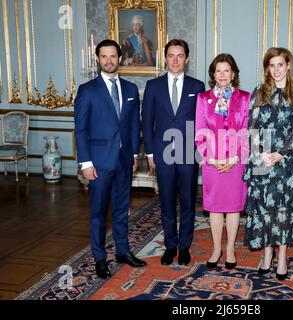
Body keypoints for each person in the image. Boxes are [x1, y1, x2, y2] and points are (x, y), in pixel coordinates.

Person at [74, 39, 146, 279]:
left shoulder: (130, 89)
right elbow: (81, 129)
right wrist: (85, 163)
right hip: (98, 164)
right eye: (104, 56)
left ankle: (123, 252)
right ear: (98, 59)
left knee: (121, 210)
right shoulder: (87, 90)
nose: (108, 60)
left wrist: (135, 154)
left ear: (120, 58)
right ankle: (100, 258)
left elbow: (135, 124)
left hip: (125, 161)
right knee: (98, 213)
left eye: (113, 56)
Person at [142, 39, 205, 266]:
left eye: (180, 56)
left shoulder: (197, 87)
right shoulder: (153, 86)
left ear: (187, 60)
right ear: (165, 58)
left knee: (188, 201)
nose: (175, 60)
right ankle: (170, 246)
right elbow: (147, 122)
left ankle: (184, 246)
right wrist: (150, 153)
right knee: (167, 201)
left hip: (189, 153)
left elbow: (202, 122)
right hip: (163, 152)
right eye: (171, 55)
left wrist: (200, 151)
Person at [244, 47, 293, 280]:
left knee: (282, 211)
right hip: (261, 159)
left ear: (288, 65)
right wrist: (262, 153)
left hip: (287, 161)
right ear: (267, 68)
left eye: (280, 64)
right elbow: (252, 126)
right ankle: (267, 255)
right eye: (272, 65)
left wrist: (279, 153)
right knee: (263, 210)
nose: (276, 70)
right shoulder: (259, 92)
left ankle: (282, 257)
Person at [195, 53, 250, 270]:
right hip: (212, 162)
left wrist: (237, 157)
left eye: (226, 70)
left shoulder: (245, 98)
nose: (222, 74)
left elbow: (247, 130)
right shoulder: (202, 98)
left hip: (236, 161)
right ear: (213, 74)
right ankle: (217, 248)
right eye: (218, 70)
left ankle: (230, 249)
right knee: (216, 207)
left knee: (233, 208)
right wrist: (210, 158)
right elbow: (200, 131)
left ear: (234, 73)